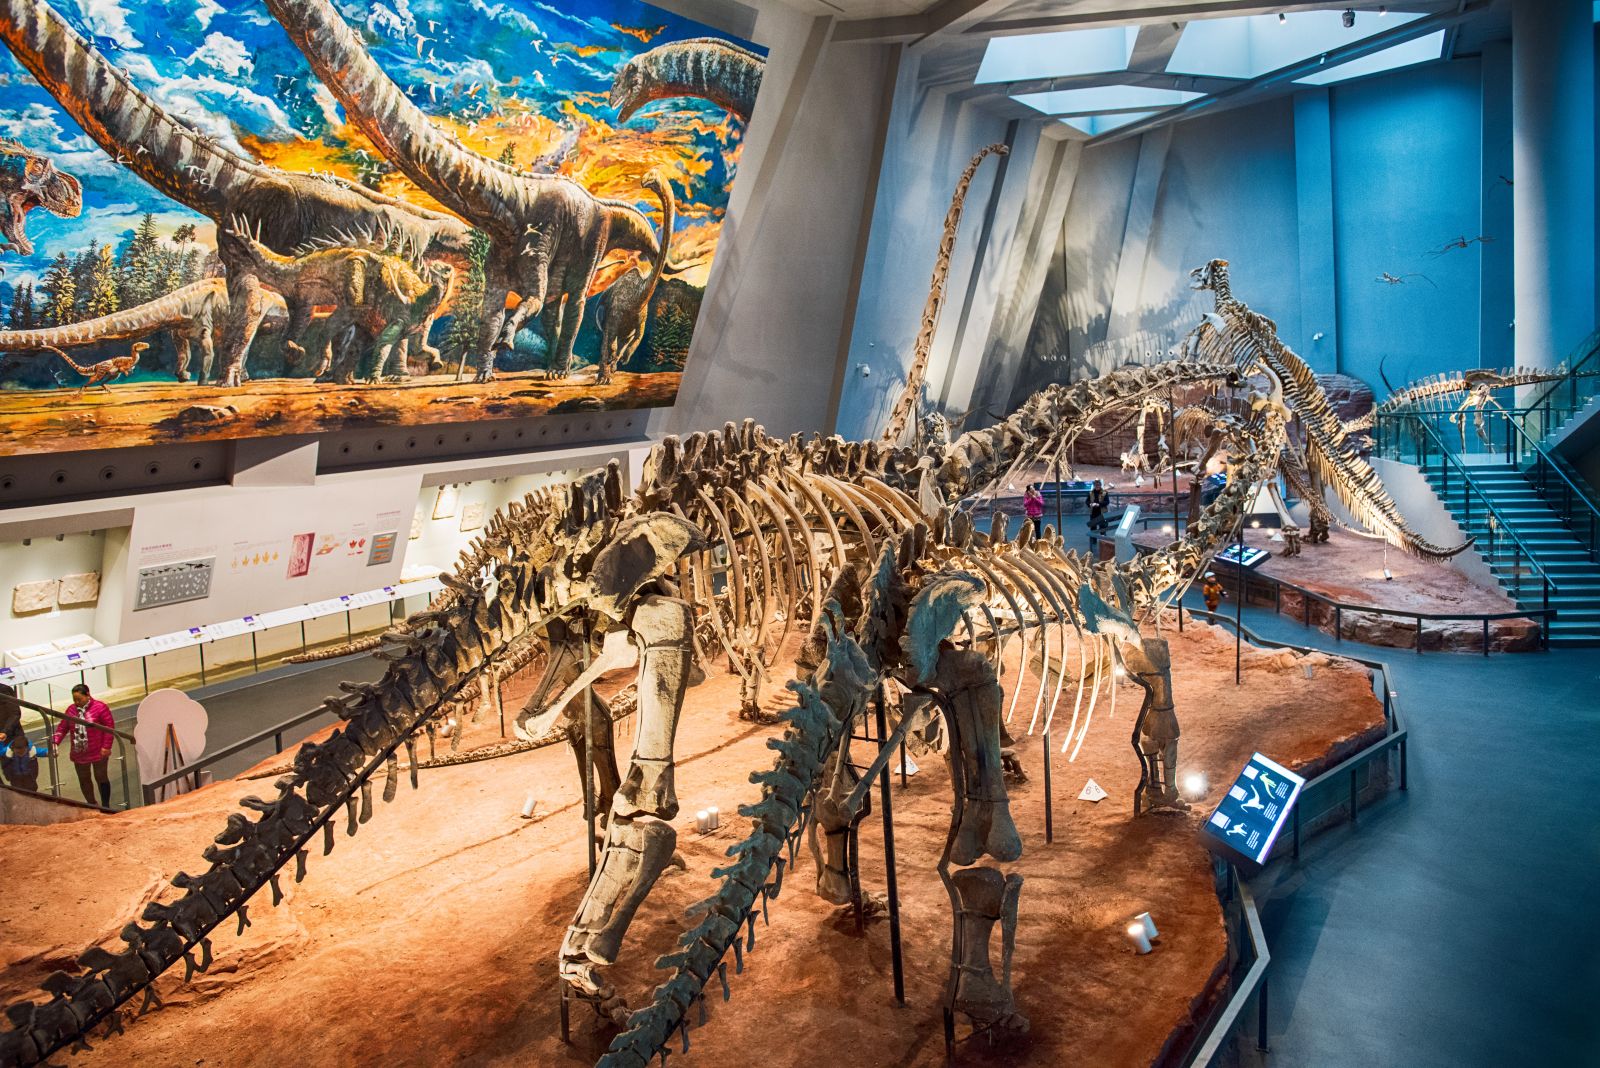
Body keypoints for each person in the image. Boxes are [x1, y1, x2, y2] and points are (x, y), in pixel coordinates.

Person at [52, 684, 115, 807]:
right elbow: (62, 727)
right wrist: (55, 741)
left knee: (101, 777)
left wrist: (106, 746)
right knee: (84, 779)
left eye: (79, 699)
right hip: (79, 752)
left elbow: (109, 728)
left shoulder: (100, 707)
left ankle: (106, 805)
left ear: (88, 695)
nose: (76, 702)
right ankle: (91, 804)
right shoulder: (71, 710)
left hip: (98, 751)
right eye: (74, 699)